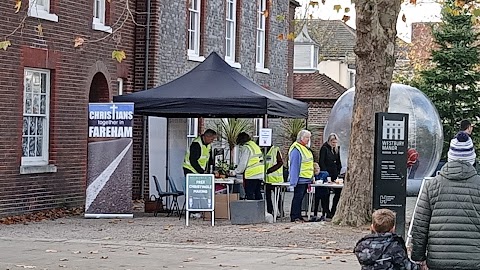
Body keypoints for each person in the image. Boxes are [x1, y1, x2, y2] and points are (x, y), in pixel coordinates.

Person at [411, 131, 480, 270]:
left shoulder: (432, 185)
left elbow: (420, 225)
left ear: (450, 157)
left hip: (438, 260)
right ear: (472, 158)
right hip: (473, 260)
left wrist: (418, 258)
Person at [355, 209, 421, 270]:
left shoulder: (362, 246)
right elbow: (406, 266)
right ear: (393, 228)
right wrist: (420, 267)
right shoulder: (394, 246)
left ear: (372, 227)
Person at [289, 130, 314, 223]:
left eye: (309, 137)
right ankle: (294, 216)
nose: (308, 140)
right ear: (301, 138)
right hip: (300, 179)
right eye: (307, 137)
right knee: (297, 197)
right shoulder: (297, 149)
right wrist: (293, 181)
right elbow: (295, 165)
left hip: (306, 178)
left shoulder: (304, 148)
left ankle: (298, 215)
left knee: (301, 198)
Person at [235, 132, 264, 200]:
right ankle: (260, 209)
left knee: (250, 194)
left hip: (252, 174)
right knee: (257, 192)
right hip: (260, 173)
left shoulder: (246, 148)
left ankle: (251, 209)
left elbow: (243, 163)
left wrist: (236, 171)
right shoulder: (254, 145)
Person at [319, 133, 342, 218]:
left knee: (338, 192)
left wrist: (338, 172)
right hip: (327, 173)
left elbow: (339, 161)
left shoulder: (336, 149)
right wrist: (326, 173)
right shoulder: (324, 148)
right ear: (329, 141)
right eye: (332, 142)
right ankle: (326, 211)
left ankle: (334, 209)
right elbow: (322, 161)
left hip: (335, 173)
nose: (334, 144)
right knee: (326, 193)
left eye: (335, 142)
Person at [264, 144, 284, 216]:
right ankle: (270, 212)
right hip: (267, 179)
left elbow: (280, 162)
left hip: (276, 179)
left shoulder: (275, 150)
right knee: (268, 197)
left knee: (278, 197)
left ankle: (281, 212)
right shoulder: (264, 151)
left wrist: (270, 170)